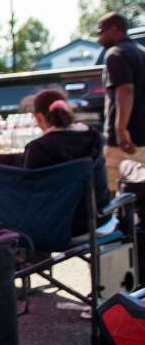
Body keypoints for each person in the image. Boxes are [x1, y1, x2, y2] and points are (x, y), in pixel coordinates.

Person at [23, 89, 109, 236]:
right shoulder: (95, 138)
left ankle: (32, 259)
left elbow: (30, 196)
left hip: (54, 229)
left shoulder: (38, 148)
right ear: (68, 110)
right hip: (98, 224)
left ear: (38, 117)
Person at [98, 12, 145, 193]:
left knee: (111, 192)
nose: (98, 38)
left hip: (124, 141)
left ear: (114, 30)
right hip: (141, 136)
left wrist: (120, 129)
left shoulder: (115, 54)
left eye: (100, 32)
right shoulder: (141, 52)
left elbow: (125, 90)